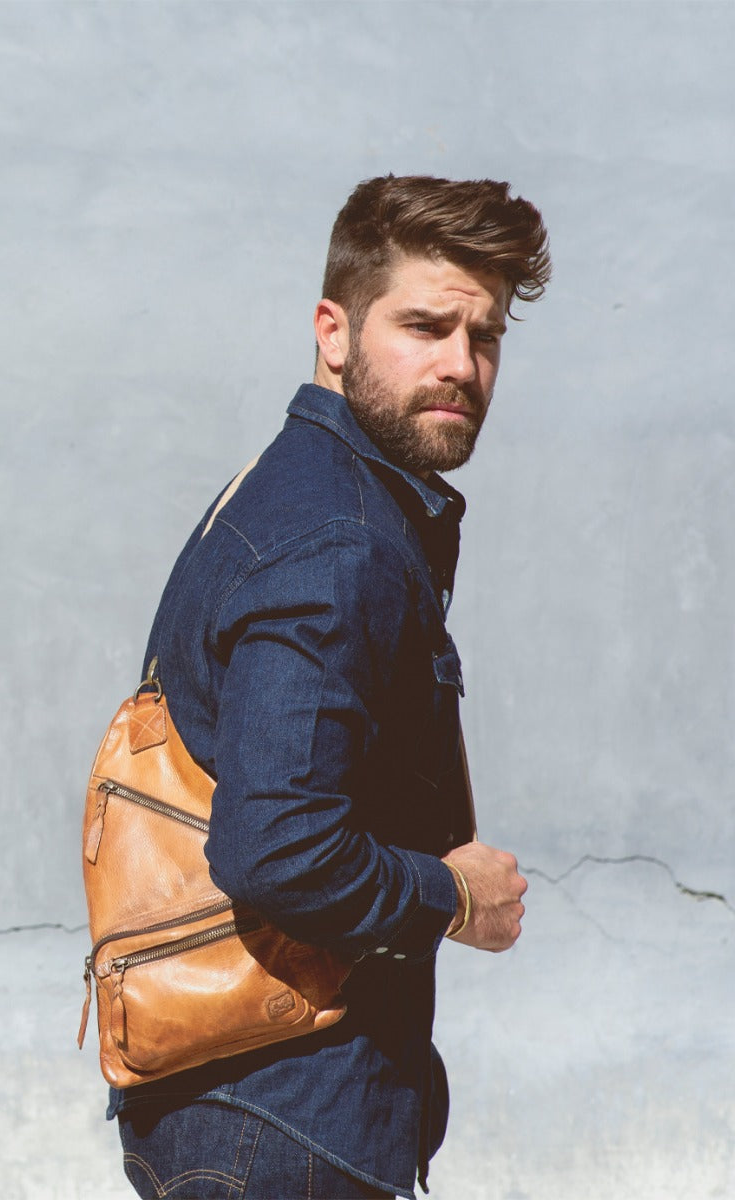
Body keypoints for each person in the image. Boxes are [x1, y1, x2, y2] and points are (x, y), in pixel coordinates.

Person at [110, 174, 551, 1200]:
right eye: (424, 326)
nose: (459, 366)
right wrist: (452, 895)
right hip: (283, 1120)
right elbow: (278, 850)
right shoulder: (335, 540)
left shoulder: (289, 493)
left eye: (482, 337)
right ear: (333, 330)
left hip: (244, 1113)